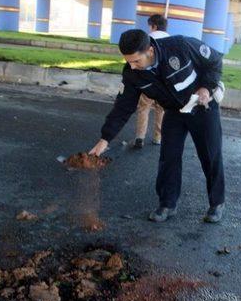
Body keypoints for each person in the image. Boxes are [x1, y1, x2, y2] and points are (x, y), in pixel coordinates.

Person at [88, 29, 226, 223]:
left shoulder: (180, 45)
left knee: (210, 155)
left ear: (150, 51)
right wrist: (105, 139)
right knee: (168, 157)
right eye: (128, 61)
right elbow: (123, 107)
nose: (132, 66)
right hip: (174, 112)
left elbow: (214, 61)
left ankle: (217, 203)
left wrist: (206, 86)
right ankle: (167, 204)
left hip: (203, 106)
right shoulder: (132, 74)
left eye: (136, 61)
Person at [134, 14, 169, 149]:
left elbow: (140, 60)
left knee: (144, 107)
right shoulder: (171, 40)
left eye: (150, 26)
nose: (149, 28)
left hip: (148, 81)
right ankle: (158, 137)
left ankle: (140, 137)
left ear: (154, 26)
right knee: (161, 110)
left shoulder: (148, 40)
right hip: (164, 83)